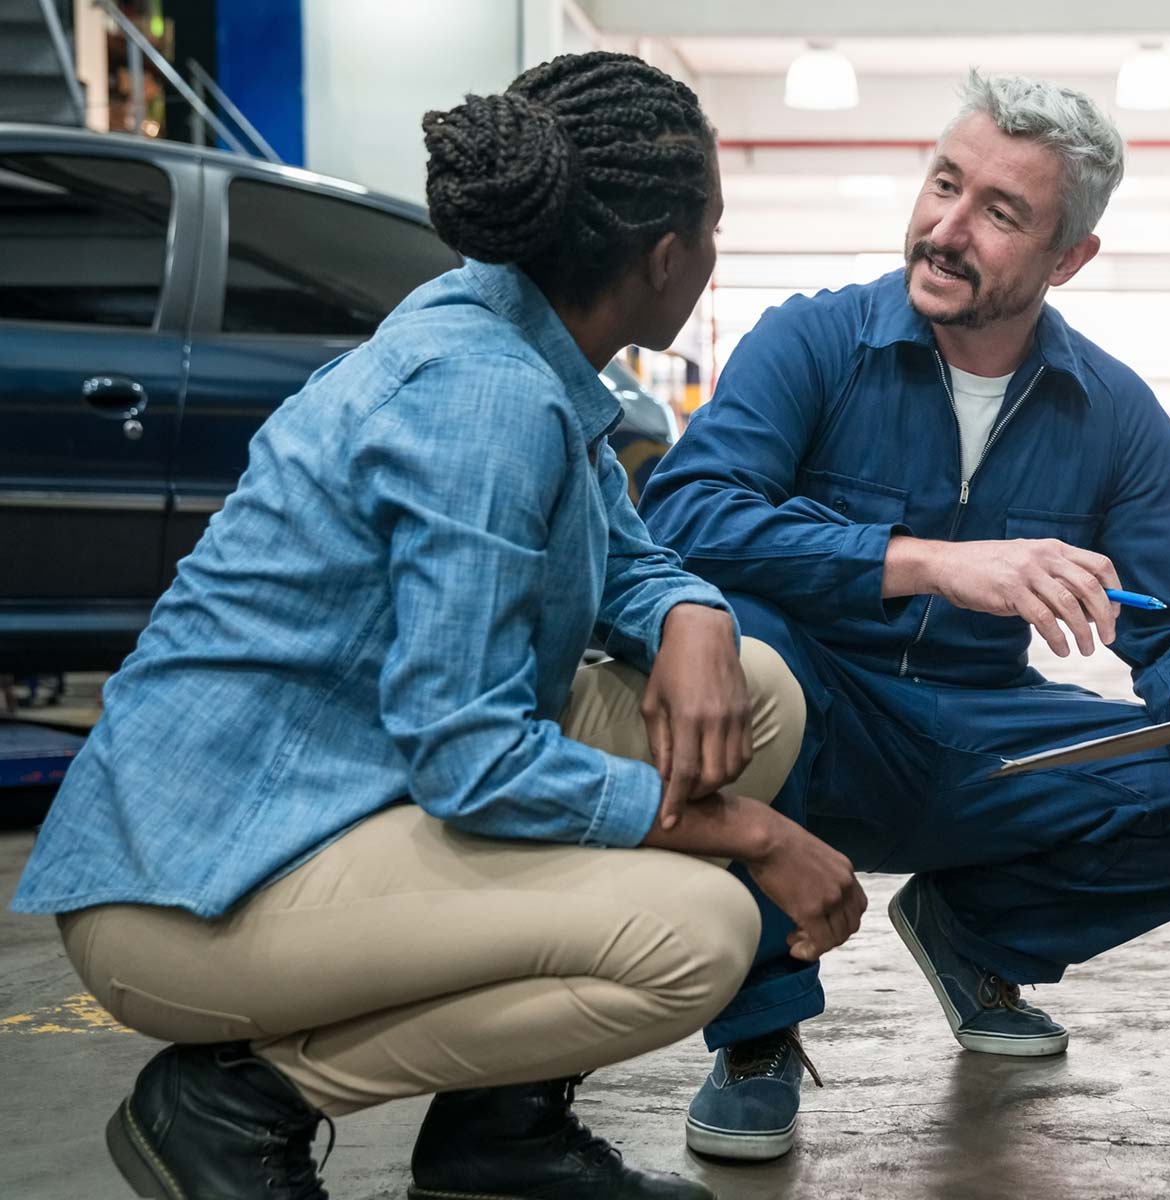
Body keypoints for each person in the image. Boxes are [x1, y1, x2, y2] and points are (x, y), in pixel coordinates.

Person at [7, 52, 864, 1200]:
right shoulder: (483, 398)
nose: (712, 257)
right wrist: (753, 838)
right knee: (695, 934)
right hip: (194, 886)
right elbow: (470, 758)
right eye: (711, 230)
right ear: (666, 258)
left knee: (753, 691)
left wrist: (690, 611)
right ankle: (234, 1103)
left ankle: (496, 1141)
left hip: (343, 784)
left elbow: (619, 546)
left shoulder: (516, 338)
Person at [639, 71, 1170, 1162]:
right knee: (744, 646)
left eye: (1000, 214)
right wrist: (933, 565)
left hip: (979, 743)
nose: (946, 229)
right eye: (943, 184)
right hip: (818, 716)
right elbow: (685, 518)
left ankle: (971, 931)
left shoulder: (1112, 412)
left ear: (1066, 261)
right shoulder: (810, 345)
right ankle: (760, 1034)